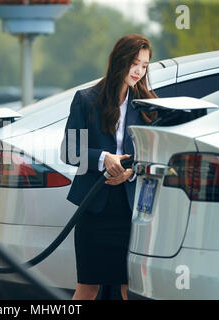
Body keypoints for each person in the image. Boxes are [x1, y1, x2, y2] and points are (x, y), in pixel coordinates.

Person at [60, 34, 157, 300]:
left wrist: (130, 171)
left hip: (131, 209)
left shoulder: (147, 105)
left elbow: (152, 154)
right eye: (134, 63)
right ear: (119, 60)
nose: (139, 71)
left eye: (145, 65)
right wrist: (104, 158)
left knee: (130, 288)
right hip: (94, 207)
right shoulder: (86, 100)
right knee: (88, 287)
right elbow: (69, 152)